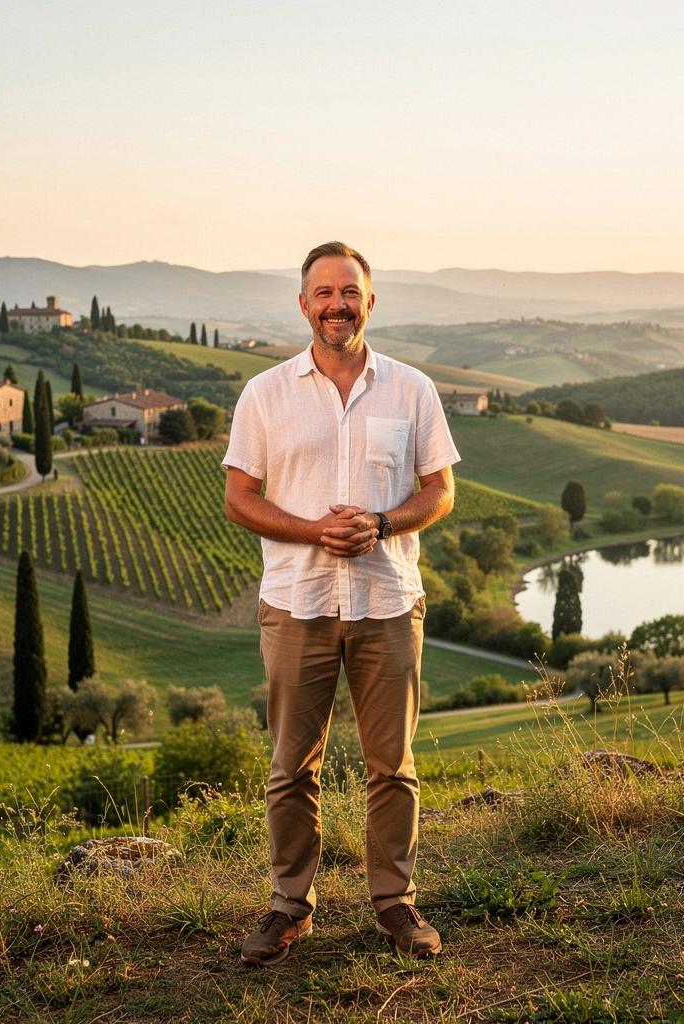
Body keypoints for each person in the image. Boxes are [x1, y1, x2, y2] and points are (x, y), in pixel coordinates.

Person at [222, 241, 460, 965]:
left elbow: (440, 491)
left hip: (387, 601)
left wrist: (384, 523)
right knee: (292, 767)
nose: (337, 305)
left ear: (370, 301)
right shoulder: (265, 394)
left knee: (394, 764)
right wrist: (312, 531)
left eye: (349, 292)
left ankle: (395, 904)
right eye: (323, 293)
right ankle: (289, 907)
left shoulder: (412, 389)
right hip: (297, 603)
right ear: (303, 305)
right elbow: (238, 498)